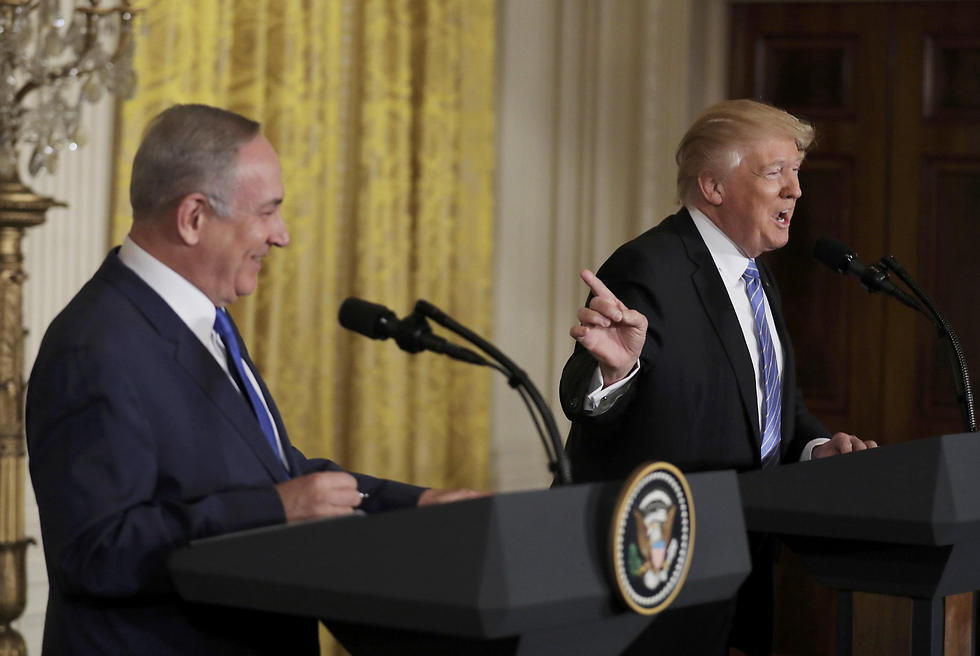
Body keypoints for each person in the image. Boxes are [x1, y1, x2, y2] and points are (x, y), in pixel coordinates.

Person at [26, 103, 481, 655]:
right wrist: (277, 509)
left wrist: (416, 508)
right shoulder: (94, 345)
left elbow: (275, 472)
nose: (282, 236)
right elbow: (97, 552)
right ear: (193, 217)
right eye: (267, 212)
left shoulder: (202, 319)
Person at [559, 99, 877, 655]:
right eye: (775, 172)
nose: (795, 191)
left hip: (738, 558)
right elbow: (585, 398)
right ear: (713, 187)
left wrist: (817, 448)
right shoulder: (649, 265)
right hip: (651, 573)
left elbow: (772, 405)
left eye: (796, 173)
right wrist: (616, 372)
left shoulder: (755, 279)